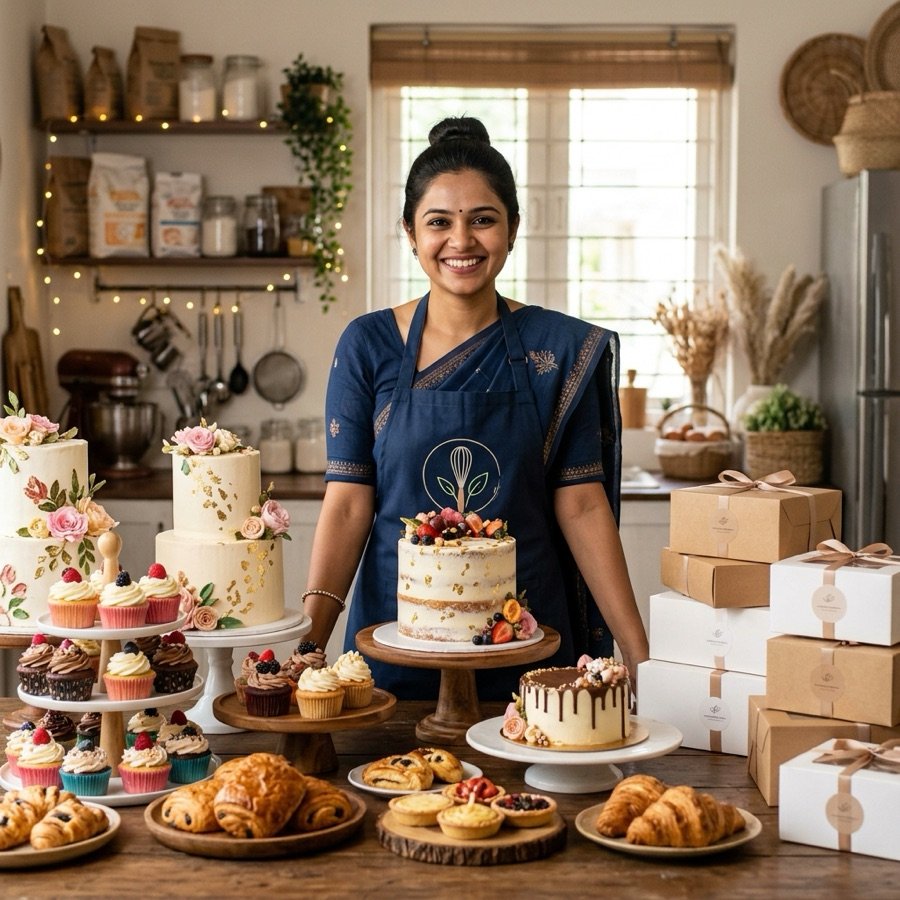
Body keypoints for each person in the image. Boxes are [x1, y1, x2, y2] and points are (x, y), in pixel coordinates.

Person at [302, 116, 649, 700]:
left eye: (482, 220)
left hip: (533, 648)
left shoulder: (559, 352)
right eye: (438, 222)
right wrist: (309, 649)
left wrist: (641, 660)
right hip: (395, 642)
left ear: (512, 230)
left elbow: (584, 507)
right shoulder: (369, 345)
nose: (460, 241)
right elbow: (347, 505)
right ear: (410, 233)